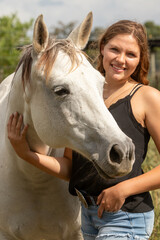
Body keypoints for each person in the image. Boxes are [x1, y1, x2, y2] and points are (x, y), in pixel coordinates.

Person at [7, 20, 160, 240]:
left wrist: (123, 189)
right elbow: (71, 168)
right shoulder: (85, 101)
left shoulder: (147, 97)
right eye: (115, 49)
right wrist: (26, 154)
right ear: (102, 49)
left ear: (140, 59)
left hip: (126, 217)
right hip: (87, 219)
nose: (121, 59)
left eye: (131, 54)